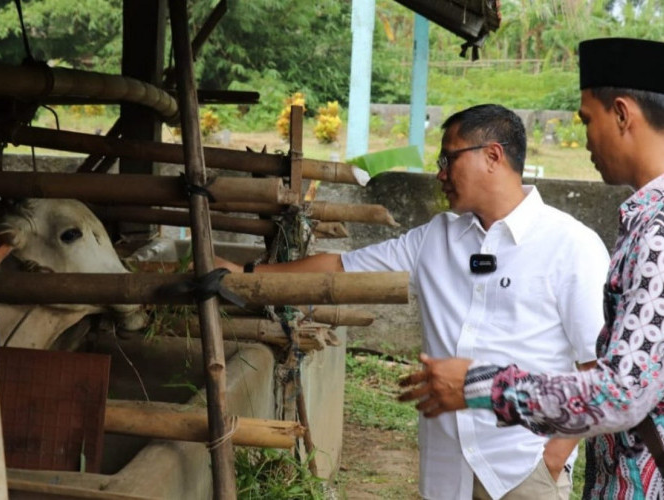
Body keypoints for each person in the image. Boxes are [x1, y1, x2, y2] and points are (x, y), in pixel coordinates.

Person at [218, 103, 610, 499]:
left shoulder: (571, 246)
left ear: (493, 155)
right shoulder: (436, 238)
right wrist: (244, 276)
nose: (440, 173)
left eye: (448, 158)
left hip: (523, 469)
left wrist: (551, 460)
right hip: (446, 470)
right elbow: (339, 267)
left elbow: (596, 369)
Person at [398, 37, 664, 498]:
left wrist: (480, 385)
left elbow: (621, 393)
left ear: (622, 114)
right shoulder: (641, 220)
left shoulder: (657, 229)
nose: (584, 140)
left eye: (587, 120)